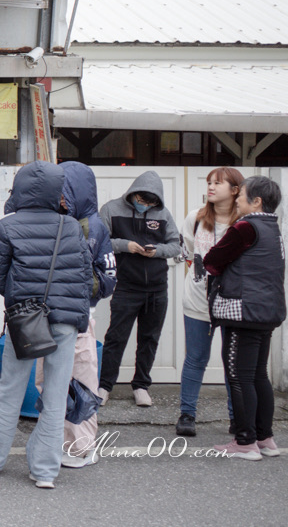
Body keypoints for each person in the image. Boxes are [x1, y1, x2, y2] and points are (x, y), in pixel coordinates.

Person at [0, 161, 92, 490]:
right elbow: (84, 275)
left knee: (11, 387)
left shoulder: (9, 227)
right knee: (55, 394)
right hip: (65, 321)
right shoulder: (71, 227)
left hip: (26, 319)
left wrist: (18, 298)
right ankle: (44, 470)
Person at [202, 175, 285, 460]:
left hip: (242, 312)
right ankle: (265, 438)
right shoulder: (274, 228)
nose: (237, 198)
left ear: (257, 201)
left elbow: (212, 260)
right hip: (267, 311)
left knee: (239, 377)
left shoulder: (245, 227)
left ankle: (245, 441)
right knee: (258, 375)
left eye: (242, 194)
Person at [97, 171, 181, 407]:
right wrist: (126, 246)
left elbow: (175, 246)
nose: (145, 206)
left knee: (149, 338)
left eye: (151, 202)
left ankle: (141, 385)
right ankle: (104, 386)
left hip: (157, 287)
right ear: (133, 194)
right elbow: (99, 242)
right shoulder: (111, 209)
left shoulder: (163, 213)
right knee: (116, 337)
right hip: (126, 285)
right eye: (142, 201)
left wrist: (158, 251)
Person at [57, 161, 118, 468]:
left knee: (80, 383)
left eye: (65, 188)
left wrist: (75, 283)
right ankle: (64, 442)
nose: (61, 196)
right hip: (58, 317)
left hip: (81, 318)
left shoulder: (94, 226)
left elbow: (108, 280)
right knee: (54, 382)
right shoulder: (57, 220)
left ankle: (81, 447)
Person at [176, 167, 243, 438]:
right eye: (209, 183)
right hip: (197, 301)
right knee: (195, 358)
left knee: (234, 362)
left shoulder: (244, 223)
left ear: (236, 190)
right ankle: (187, 414)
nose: (211, 187)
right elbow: (188, 254)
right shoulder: (195, 218)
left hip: (233, 303)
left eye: (218, 183)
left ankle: (236, 417)